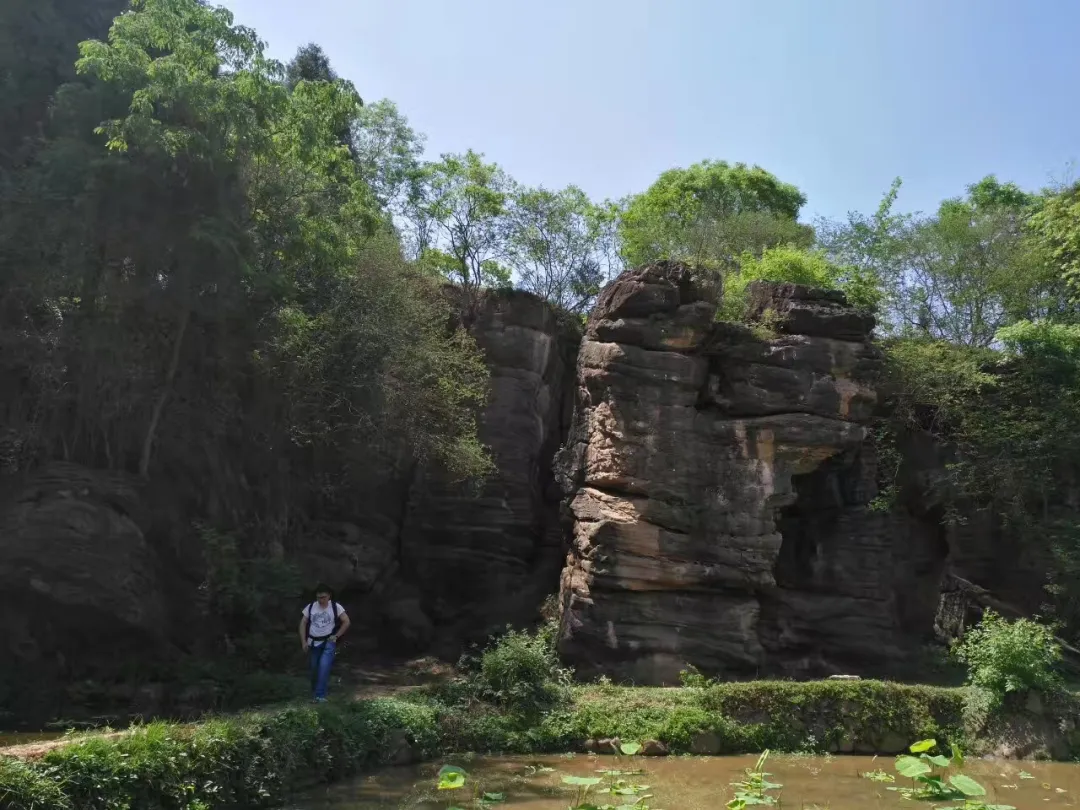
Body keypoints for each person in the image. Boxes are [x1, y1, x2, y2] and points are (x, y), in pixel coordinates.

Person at [299, 584, 350, 702]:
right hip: (313, 641)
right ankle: (315, 693)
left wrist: (336, 636)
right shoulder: (311, 607)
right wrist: (303, 641)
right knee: (314, 669)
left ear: (329, 596)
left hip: (328, 641)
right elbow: (303, 623)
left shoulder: (335, 607)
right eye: (318, 597)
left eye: (323, 597)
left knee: (324, 666)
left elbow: (346, 621)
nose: (321, 600)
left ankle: (320, 696)